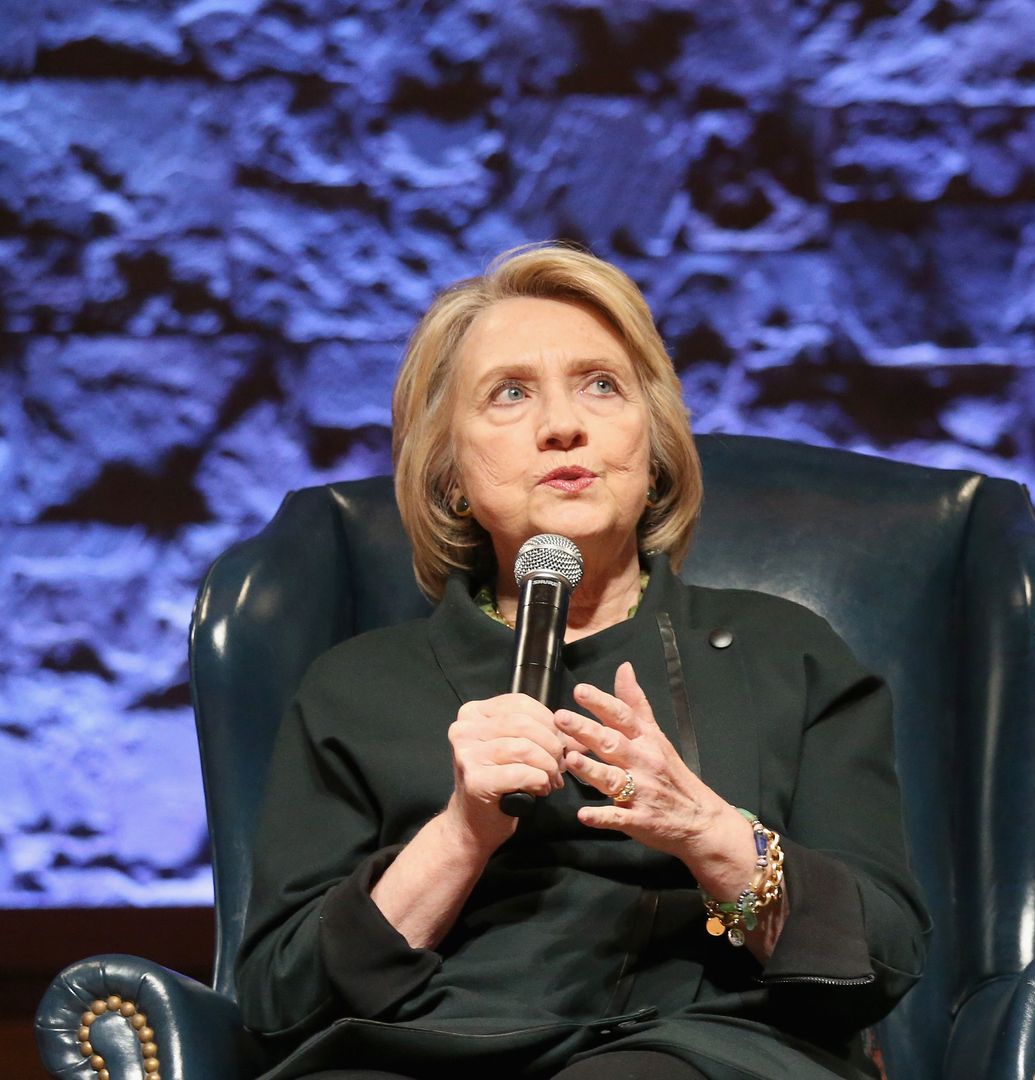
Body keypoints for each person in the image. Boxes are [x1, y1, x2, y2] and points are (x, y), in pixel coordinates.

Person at [234, 243, 931, 1080]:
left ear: (654, 445)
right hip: (426, 1053)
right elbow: (276, 1004)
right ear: (450, 474)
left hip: (706, 1054)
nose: (563, 424)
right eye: (510, 393)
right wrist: (459, 837)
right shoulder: (356, 689)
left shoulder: (788, 654)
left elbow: (884, 958)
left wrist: (709, 835)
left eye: (603, 384)